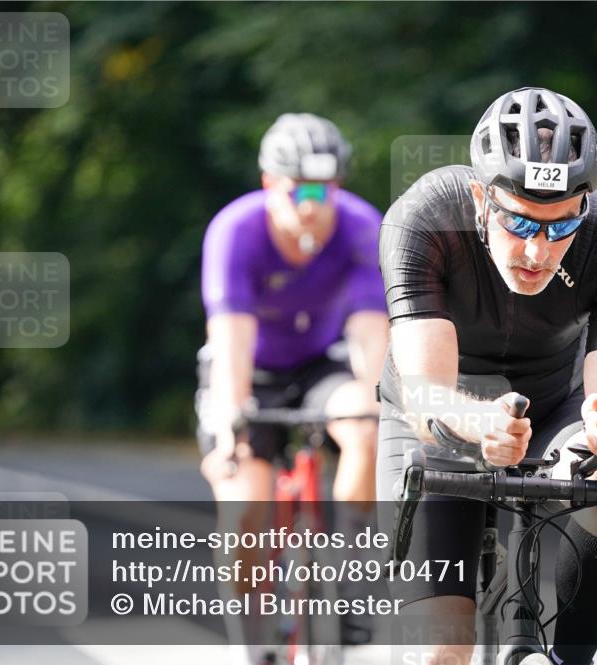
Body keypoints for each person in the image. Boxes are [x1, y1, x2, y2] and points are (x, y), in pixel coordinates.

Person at [376, 87, 597, 664]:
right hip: (440, 418)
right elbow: (426, 396)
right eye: (521, 223)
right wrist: (483, 423)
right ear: (482, 197)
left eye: (561, 227)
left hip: (552, 405)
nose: (538, 251)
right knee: (439, 654)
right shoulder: (424, 218)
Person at [196, 113, 389, 662]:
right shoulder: (235, 230)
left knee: (368, 423)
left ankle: (350, 580)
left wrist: (384, 407)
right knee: (244, 513)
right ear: (268, 184)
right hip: (248, 372)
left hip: (319, 366)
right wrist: (231, 428)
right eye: (298, 190)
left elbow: (372, 338)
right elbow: (232, 341)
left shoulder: (361, 226)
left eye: (324, 190)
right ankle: (253, 646)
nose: (312, 206)